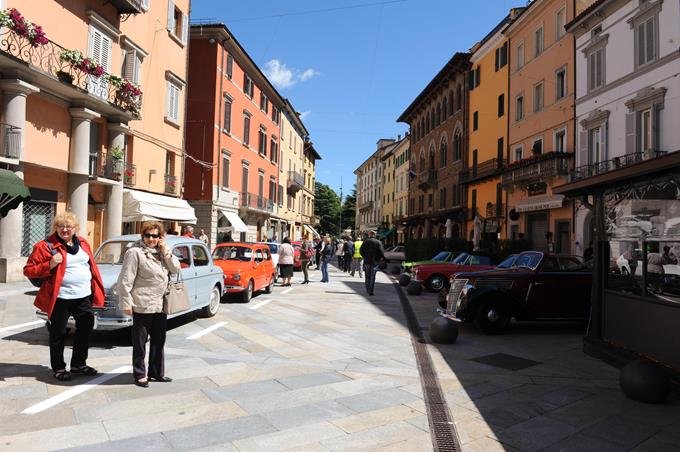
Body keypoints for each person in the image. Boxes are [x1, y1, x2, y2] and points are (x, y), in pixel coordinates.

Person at [23, 212, 105, 381]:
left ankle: (78, 364)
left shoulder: (83, 243)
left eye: (69, 226)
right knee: (58, 333)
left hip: (83, 296)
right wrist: (50, 264)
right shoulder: (44, 246)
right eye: (61, 226)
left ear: (75, 228)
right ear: (56, 228)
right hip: (61, 298)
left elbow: (90, 266)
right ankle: (59, 368)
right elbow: (28, 270)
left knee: (85, 328)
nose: (65, 229)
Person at [117, 221, 180, 388]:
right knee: (140, 343)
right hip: (142, 303)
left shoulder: (163, 252)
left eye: (155, 236)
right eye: (148, 235)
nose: (151, 239)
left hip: (161, 304)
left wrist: (165, 251)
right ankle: (140, 374)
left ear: (161, 237)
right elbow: (125, 280)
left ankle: (156, 372)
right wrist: (126, 303)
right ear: (142, 236)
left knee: (159, 341)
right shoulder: (135, 252)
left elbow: (176, 269)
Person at [360, 230, 385, 296]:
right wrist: (380, 258)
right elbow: (382, 252)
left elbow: (361, 251)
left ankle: (367, 289)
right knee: (372, 276)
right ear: (375, 235)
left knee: (367, 276)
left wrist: (364, 256)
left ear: (369, 235)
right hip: (375, 262)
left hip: (367, 261)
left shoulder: (365, 241)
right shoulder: (378, 242)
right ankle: (371, 291)